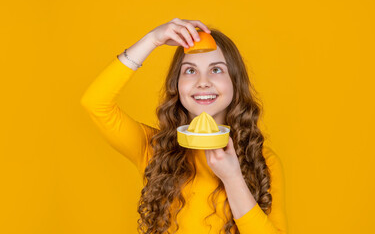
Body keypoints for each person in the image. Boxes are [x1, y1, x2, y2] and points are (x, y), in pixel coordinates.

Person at [80, 18, 288, 234]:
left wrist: (233, 178)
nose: (203, 81)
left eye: (216, 70)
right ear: (176, 84)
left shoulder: (264, 162)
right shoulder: (155, 150)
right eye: (190, 71)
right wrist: (152, 39)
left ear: (235, 82)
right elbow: (95, 103)